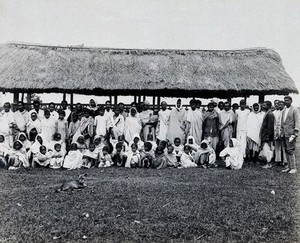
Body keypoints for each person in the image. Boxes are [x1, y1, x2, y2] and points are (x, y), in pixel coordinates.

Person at [281, 96, 300, 174]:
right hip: (284, 133)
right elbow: (283, 122)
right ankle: (289, 167)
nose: (286, 102)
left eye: (287, 100)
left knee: (290, 150)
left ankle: (293, 168)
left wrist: (295, 132)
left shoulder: (295, 110)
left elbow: (297, 121)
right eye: (285, 100)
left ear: (291, 101)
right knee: (286, 150)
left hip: (291, 133)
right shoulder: (284, 110)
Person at [260, 101, 275, 169]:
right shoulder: (267, 113)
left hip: (267, 135)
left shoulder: (270, 114)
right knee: (266, 149)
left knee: (268, 149)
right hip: (265, 134)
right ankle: (267, 162)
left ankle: (269, 163)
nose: (263, 106)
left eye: (264, 105)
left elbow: (270, 126)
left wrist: (268, 135)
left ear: (268, 106)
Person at [273, 100, 286, 165]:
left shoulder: (285, 112)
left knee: (283, 147)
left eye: (281, 105)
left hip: (283, 132)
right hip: (276, 131)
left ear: (284, 105)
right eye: (278, 104)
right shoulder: (275, 112)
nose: (279, 106)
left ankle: (285, 161)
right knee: (277, 146)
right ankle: (278, 160)